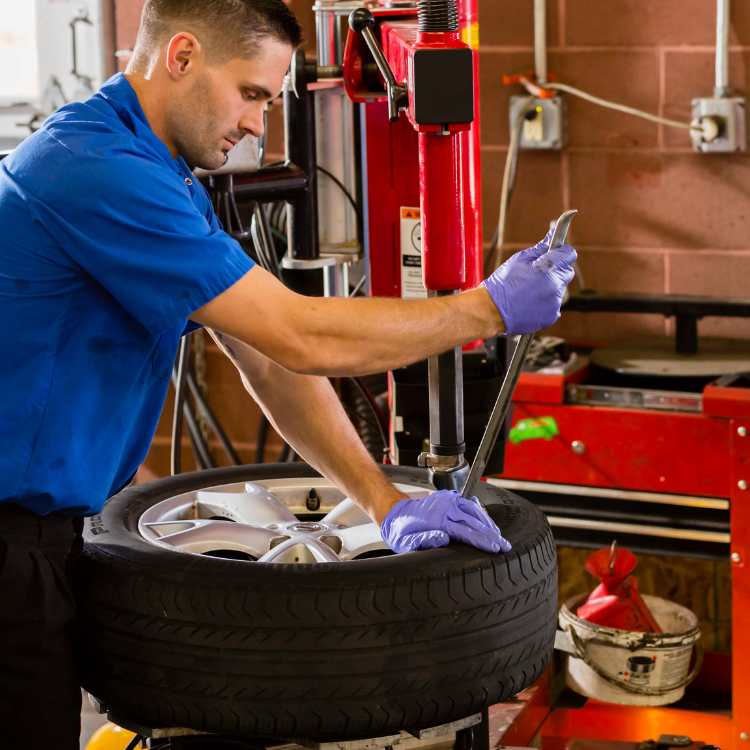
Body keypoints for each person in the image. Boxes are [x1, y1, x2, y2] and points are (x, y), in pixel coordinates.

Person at [0, 0, 576, 747]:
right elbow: (301, 334)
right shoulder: (97, 170)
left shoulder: (153, 171)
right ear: (180, 57)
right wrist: (485, 309)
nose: (259, 126)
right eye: (252, 94)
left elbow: (265, 354)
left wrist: (381, 503)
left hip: (39, 541)